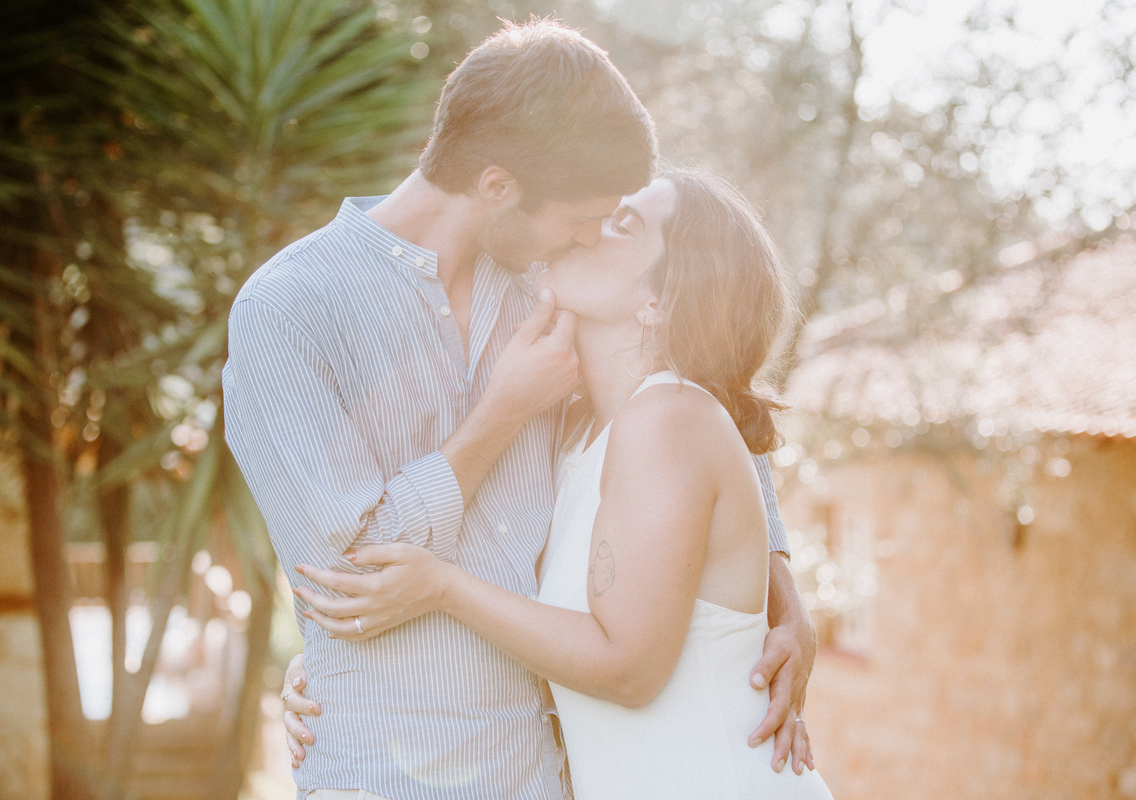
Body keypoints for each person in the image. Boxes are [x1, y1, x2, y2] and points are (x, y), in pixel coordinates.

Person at [224, 19, 813, 800]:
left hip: (548, 772)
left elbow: (700, 392)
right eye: (583, 217)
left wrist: (781, 598)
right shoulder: (289, 311)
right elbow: (348, 580)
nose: (591, 235)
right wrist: (501, 414)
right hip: (390, 780)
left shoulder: (548, 288)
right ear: (497, 186)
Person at [290, 170, 831, 799]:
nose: (589, 228)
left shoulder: (669, 417)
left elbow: (628, 670)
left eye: (622, 224)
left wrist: (441, 588)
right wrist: (338, 673)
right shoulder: (573, 433)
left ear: (659, 300)